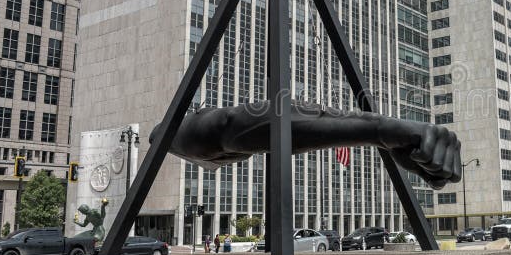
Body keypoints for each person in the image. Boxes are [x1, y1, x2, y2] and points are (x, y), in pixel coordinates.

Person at [153, 101, 462, 190]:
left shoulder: (224, 142)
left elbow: (227, 129)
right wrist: (377, 129)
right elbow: (223, 127)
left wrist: (379, 131)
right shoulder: (185, 133)